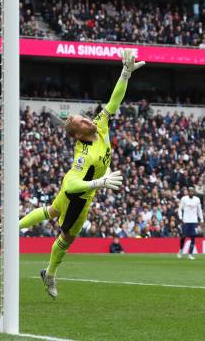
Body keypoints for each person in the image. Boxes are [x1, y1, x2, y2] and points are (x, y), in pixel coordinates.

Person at [18, 49, 145, 298]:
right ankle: (50, 274)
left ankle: (12, 229)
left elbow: (114, 101)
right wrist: (101, 181)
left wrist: (125, 74)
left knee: (52, 211)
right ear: (78, 134)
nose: (88, 120)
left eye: (85, 117)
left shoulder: (100, 124)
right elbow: (72, 186)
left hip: (79, 186)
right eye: (82, 122)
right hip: (80, 194)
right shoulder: (83, 155)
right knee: (67, 238)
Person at [177, 187, 203, 260]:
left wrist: (201, 219)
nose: (191, 193)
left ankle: (190, 254)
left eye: (192, 191)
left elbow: (199, 210)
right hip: (186, 221)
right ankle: (181, 250)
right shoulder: (184, 199)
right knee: (183, 237)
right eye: (190, 191)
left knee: (193, 237)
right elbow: (180, 209)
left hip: (194, 221)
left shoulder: (197, 199)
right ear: (188, 192)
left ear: (194, 192)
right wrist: (181, 218)